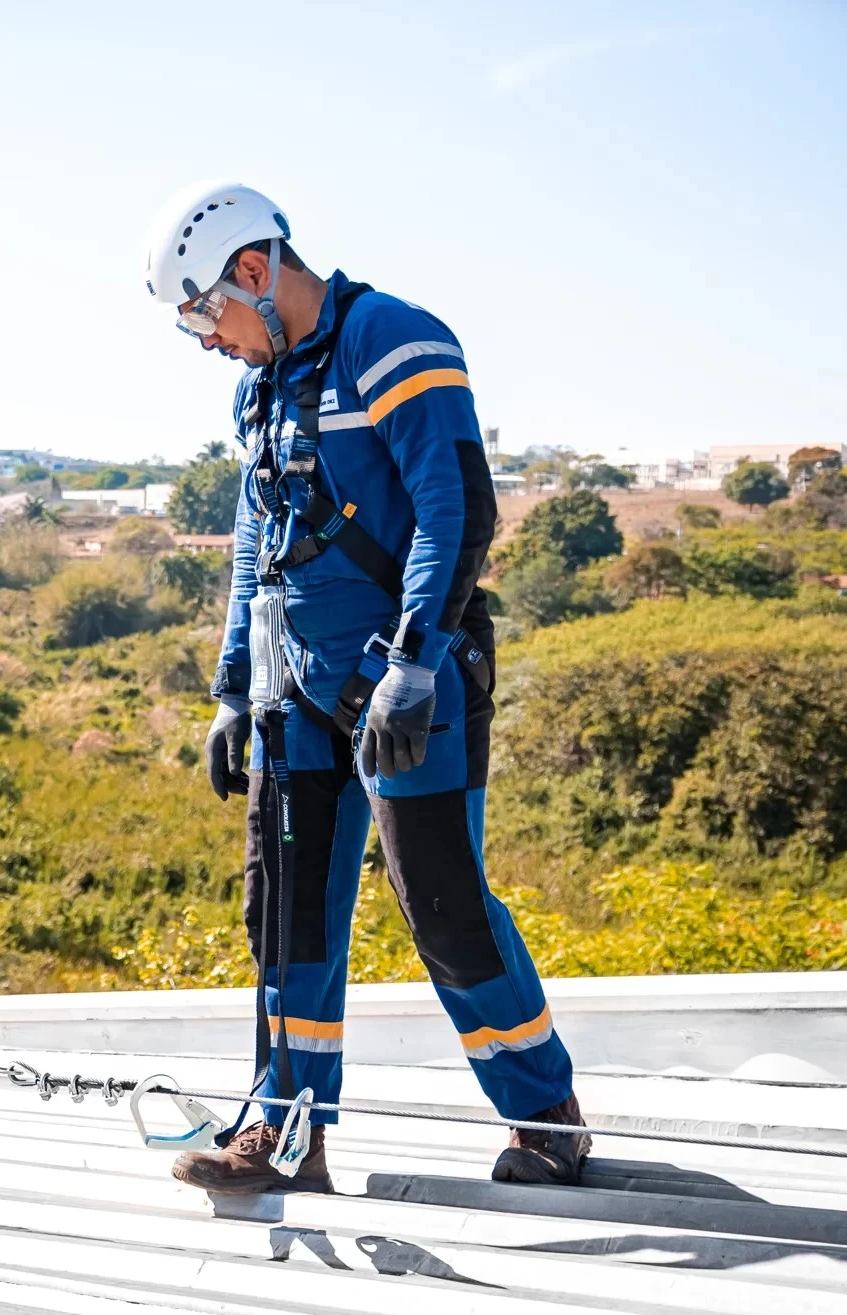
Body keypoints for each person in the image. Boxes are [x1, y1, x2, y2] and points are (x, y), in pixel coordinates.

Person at [141, 184, 588, 1193]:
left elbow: (454, 509)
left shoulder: (390, 339)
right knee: (285, 910)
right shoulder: (255, 391)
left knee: (441, 905)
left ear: (252, 273)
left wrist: (413, 663)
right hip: (293, 690)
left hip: (407, 684)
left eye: (207, 315)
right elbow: (258, 542)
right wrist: (227, 689)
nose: (209, 342)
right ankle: (287, 1137)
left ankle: (543, 1114)